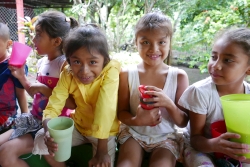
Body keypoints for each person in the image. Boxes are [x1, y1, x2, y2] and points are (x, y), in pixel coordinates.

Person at [32, 24, 121, 167]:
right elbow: (55, 102)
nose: (84, 71)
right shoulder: (68, 73)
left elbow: (105, 107)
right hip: (79, 127)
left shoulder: (111, 70)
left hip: (105, 133)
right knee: (41, 139)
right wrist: (49, 132)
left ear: (104, 60)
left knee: (103, 163)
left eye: (92, 62)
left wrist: (102, 150)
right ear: (68, 61)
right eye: (77, 62)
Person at [0, 11, 78, 167]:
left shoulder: (63, 65)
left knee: (6, 154)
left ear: (56, 41)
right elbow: (34, 93)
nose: (33, 39)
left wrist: (44, 88)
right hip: (34, 120)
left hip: (52, 125)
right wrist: (21, 77)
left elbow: (71, 104)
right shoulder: (42, 63)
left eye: (38, 35)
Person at [116, 12, 189, 167]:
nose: (154, 49)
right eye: (145, 42)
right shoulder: (127, 74)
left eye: (161, 42)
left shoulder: (178, 76)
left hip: (166, 137)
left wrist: (168, 103)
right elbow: (121, 113)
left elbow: (183, 121)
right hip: (133, 134)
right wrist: (137, 120)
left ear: (169, 43)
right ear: (136, 43)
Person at [178, 27, 250, 167]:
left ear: (248, 68)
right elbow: (196, 139)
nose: (216, 66)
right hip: (203, 148)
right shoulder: (201, 92)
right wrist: (215, 145)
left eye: (228, 60)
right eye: (214, 57)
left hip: (234, 151)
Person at [0, 22, 28, 133]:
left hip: (7, 119)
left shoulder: (15, 66)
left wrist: (26, 118)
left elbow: (21, 94)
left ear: (8, 44)